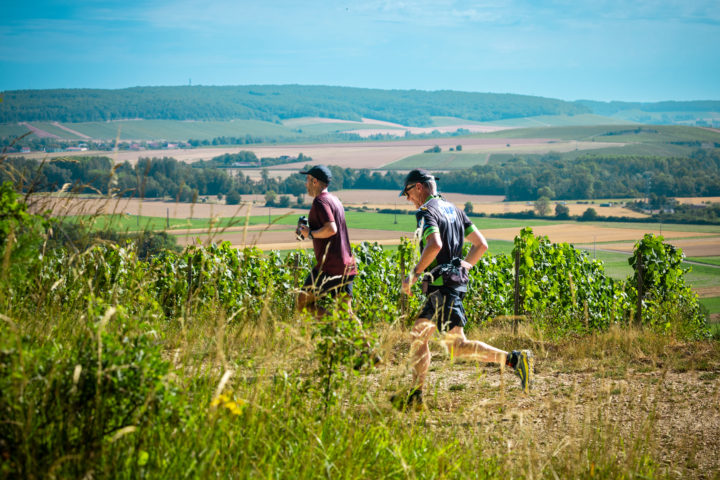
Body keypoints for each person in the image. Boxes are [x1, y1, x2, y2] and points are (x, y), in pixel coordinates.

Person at [391, 169, 533, 410]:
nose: (408, 199)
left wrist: (414, 274)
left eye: (407, 193)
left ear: (418, 187)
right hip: (444, 285)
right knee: (418, 336)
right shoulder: (455, 210)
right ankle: (416, 395)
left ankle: (514, 359)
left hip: (443, 287)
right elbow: (481, 244)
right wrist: (463, 266)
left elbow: (434, 244)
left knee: (457, 347)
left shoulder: (426, 212)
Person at [296, 165, 358, 317]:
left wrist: (310, 233)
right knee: (346, 313)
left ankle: (333, 328)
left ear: (315, 181)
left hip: (330, 266)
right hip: (346, 264)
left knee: (303, 303)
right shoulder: (334, 200)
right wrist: (309, 231)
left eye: (307, 180)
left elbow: (331, 229)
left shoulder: (320, 202)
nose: (306, 184)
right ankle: (362, 341)